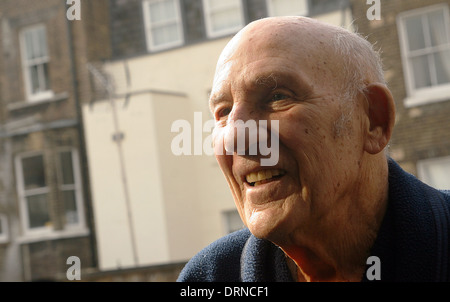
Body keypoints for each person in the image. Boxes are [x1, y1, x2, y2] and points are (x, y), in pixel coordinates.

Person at [177, 16, 450, 282]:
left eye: (277, 97)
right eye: (223, 112)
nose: (234, 137)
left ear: (373, 120)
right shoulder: (210, 275)